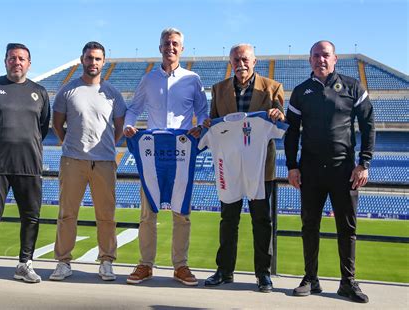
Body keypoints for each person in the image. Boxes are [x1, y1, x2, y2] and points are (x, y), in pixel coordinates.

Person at [284, 40, 374, 303]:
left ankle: (348, 282)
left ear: (335, 59)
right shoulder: (301, 91)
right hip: (310, 170)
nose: (320, 60)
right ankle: (311, 279)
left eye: (325, 55)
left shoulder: (352, 86)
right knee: (309, 226)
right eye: (315, 56)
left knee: (346, 228)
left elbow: (368, 124)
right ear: (309, 60)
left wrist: (364, 162)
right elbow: (291, 133)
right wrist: (291, 166)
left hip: (344, 170)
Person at [123, 27, 208, 286]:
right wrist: (129, 125)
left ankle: (180, 266)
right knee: (148, 212)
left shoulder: (193, 79)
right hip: (153, 151)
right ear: (160, 48)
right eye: (166, 43)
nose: (170, 47)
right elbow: (134, 108)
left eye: (175, 44)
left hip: (181, 150)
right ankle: (145, 264)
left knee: (181, 213)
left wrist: (202, 125)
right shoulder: (148, 79)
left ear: (182, 49)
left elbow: (203, 110)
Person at [0, 43, 51, 288]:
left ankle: (25, 264)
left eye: (22, 58)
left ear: (29, 63)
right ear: (5, 61)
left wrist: (25, 146)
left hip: (29, 165)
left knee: (31, 217)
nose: (17, 62)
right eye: (13, 58)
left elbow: (42, 128)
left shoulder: (40, 92)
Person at [202, 44, 285, 292]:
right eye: (236, 59)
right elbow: (213, 124)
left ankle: (263, 274)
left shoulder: (273, 88)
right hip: (229, 166)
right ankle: (224, 271)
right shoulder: (218, 90)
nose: (241, 63)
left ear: (255, 61)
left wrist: (277, 114)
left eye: (245, 59)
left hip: (260, 166)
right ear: (231, 62)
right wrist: (208, 123)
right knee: (228, 220)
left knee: (262, 221)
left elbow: (282, 122)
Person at [49, 41, 126, 282]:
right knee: (67, 213)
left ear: (104, 62)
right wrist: (71, 144)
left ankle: (106, 261)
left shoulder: (112, 93)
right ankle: (63, 262)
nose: (93, 63)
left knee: (106, 215)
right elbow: (57, 124)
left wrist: (104, 148)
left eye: (97, 59)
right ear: (82, 60)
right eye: (89, 58)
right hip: (73, 160)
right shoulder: (67, 91)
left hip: (103, 161)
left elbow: (119, 129)